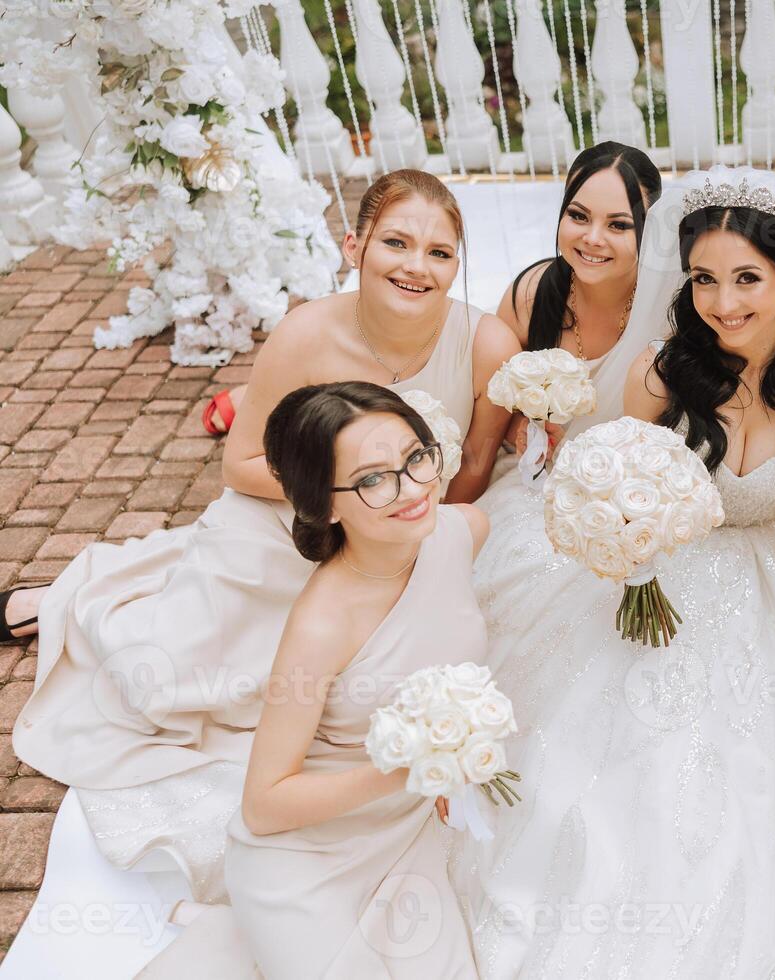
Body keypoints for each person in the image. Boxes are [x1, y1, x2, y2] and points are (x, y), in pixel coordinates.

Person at [455, 168, 775, 979]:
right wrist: (629, 557)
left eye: (746, 279)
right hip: (669, 569)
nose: (723, 301)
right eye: (705, 278)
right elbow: (626, 481)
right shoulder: (660, 373)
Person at [11, 168, 516, 907]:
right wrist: (344, 497)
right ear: (355, 245)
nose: (418, 266)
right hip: (292, 519)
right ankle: (71, 606)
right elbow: (242, 461)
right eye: (397, 243)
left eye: (440, 252)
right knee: (168, 685)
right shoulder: (309, 330)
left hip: (406, 529)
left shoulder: (486, 342)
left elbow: (470, 470)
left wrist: (400, 523)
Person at [222, 381, 489, 978]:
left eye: (415, 457)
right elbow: (263, 806)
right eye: (372, 479)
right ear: (326, 504)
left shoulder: (460, 531)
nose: (412, 489)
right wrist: (408, 769)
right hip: (309, 852)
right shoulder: (321, 626)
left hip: (416, 826)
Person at [495, 140, 661, 460]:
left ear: (649, 228)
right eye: (579, 216)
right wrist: (528, 431)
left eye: (618, 225)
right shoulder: (529, 295)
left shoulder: (669, 307)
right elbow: (496, 411)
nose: (593, 239)